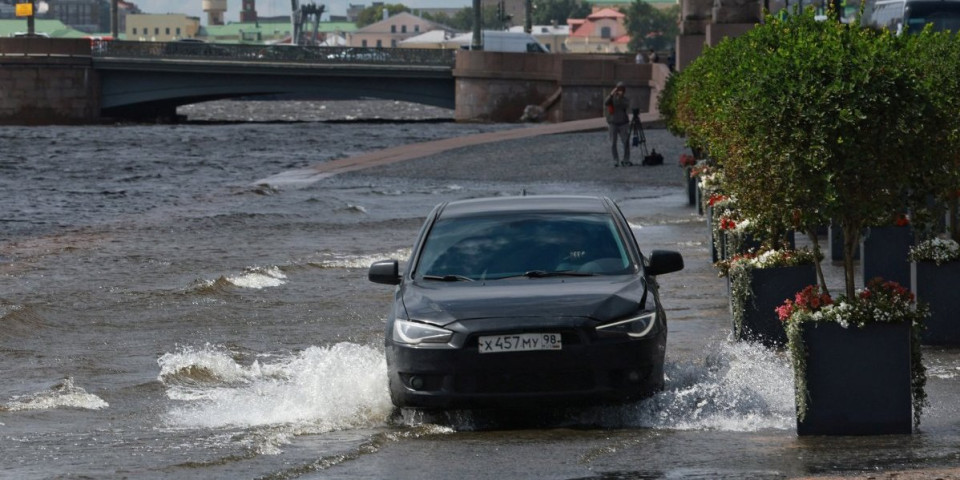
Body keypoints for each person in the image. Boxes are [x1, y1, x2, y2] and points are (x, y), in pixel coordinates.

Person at [604, 81, 631, 167]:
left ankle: (626, 159)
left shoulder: (625, 99)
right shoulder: (611, 98)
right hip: (613, 123)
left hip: (623, 123)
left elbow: (624, 105)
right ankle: (616, 160)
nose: (620, 91)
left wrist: (620, 97)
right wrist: (611, 94)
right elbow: (606, 102)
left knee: (625, 142)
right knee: (613, 143)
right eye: (619, 89)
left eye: (622, 89)